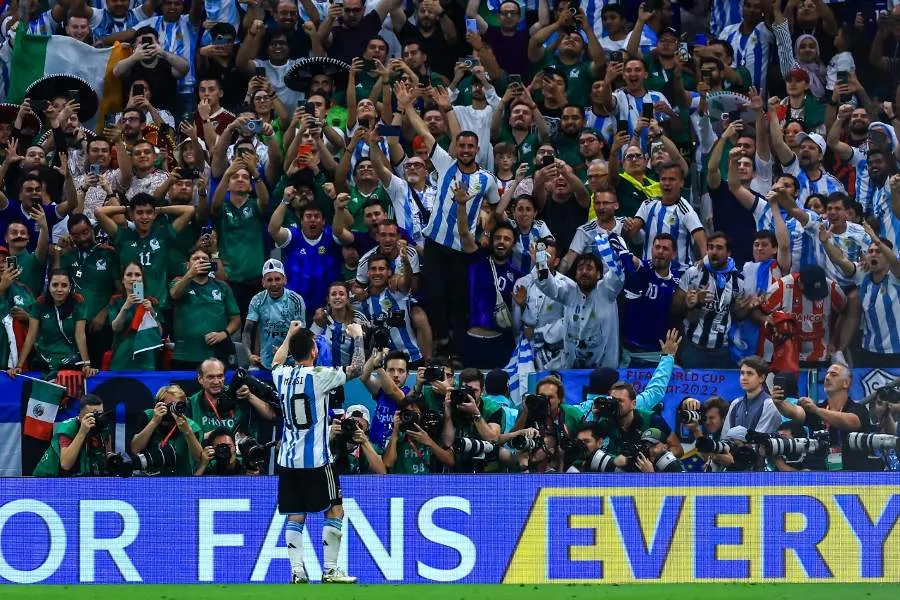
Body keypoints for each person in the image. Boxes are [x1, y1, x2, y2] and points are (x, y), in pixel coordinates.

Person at [271, 321, 374, 584]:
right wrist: (358, 337)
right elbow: (358, 368)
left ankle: (297, 572)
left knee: (295, 513)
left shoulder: (280, 374)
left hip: (287, 460)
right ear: (314, 351)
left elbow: (276, 360)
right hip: (316, 459)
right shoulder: (320, 375)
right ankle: (330, 570)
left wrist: (289, 335)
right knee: (335, 509)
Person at [535, 245, 625, 369]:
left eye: (589, 268)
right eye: (580, 268)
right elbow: (547, 284)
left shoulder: (607, 291)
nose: (584, 272)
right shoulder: (569, 292)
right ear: (576, 275)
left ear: (599, 274)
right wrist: (540, 261)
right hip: (572, 369)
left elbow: (617, 276)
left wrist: (616, 252)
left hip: (604, 370)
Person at [773, 362, 874, 471]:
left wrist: (816, 410)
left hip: (853, 476)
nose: (827, 377)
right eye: (827, 374)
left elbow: (852, 422)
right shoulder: (816, 410)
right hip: (821, 477)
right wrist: (779, 403)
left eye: (833, 374)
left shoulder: (859, 409)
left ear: (846, 383)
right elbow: (796, 413)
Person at [672, 232, 748, 369]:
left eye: (719, 248)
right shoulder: (694, 273)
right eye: (710, 247)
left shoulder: (738, 281)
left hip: (722, 350)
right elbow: (674, 308)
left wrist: (747, 308)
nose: (713, 252)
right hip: (694, 348)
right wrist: (692, 303)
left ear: (728, 252)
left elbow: (737, 315)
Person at [8, 270, 96, 377]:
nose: (59, 289)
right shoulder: (39, 305)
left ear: (70, 287)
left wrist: (86, 364)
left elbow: (80, 335)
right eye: (55, 285)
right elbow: (31, 336)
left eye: (64, 285)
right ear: (48, 286)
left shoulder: (78, 303)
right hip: (43, 362)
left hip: (70, 364)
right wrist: (19, 366)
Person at [186, 357, 277, 440]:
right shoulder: (191, 404)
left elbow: (271, 416)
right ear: (200, 379)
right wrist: (215, 435)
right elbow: (185, 438)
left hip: (239, 456)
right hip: (206, 454)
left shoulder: (238, 393)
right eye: (210, 377)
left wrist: (250, 396)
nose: (216, 381)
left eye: (220, 376)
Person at [243, 259, 306, 370]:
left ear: (285, 280)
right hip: (266, 363)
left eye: (277, 279)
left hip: (292, 363)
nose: (274, 284)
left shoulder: (296, 300)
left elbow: (301, 334)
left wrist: (286, 350)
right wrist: (249, 355)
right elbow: (246, 331)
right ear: (263, 282)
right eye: (269, 280)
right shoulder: (257, 300)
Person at [130, 384, 204, 476]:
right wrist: (154, 422)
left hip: (180, 478)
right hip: (149, 478)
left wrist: (188, 432)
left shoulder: (190, 425)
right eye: (169, 405)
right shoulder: (148, 417)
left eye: (177, 405)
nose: (173, 410)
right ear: (158, 404)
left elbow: (199, 459)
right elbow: (135, 449)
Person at [33, 394, 111, 477]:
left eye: (100, 413)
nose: (98, 418)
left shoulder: (103, 427)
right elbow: (65, 464)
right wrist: (82, 432)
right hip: (48, 479)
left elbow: (107, 456)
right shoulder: (67, 428)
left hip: (85, 478)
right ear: (81, 416)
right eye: (94, 414)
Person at [107, 261, 161, 371]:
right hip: (121, 359)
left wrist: (151, 311)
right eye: (129, 275)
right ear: (122, 280)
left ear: (142, 279)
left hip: (146, 359)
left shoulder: (152, 301)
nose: (133, 278)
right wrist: (125, 307)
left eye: (137, 275)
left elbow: (159, 333)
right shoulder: (116, 300)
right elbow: (115, 327)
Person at [310, 282, 369, 368]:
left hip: (352, 373)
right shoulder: (321, 318)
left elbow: (367, 347)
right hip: (325, 374)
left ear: (347, 298)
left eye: (341, 294)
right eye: (333, 294)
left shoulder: (358, 319)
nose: (337, 297)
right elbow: (310, 346)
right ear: (328, 299)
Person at [721, 356, 782, 438]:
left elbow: (759, 440)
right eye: (742, 373)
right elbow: (725, 437)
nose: (744, 378)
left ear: (762, 378)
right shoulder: (735, 403)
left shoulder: (770, 404)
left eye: (749, 373)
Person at [360, 349, 410, 448]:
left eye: (401, 371)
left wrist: (378, 366)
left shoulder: (408, 394)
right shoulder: (381, 390)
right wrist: (375, 353)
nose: (396, 375)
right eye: (391, 370)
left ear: (407, 374)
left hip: (395, 450)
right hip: (374, 449)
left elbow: (391, 391)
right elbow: (364, 377)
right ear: (385, 371)